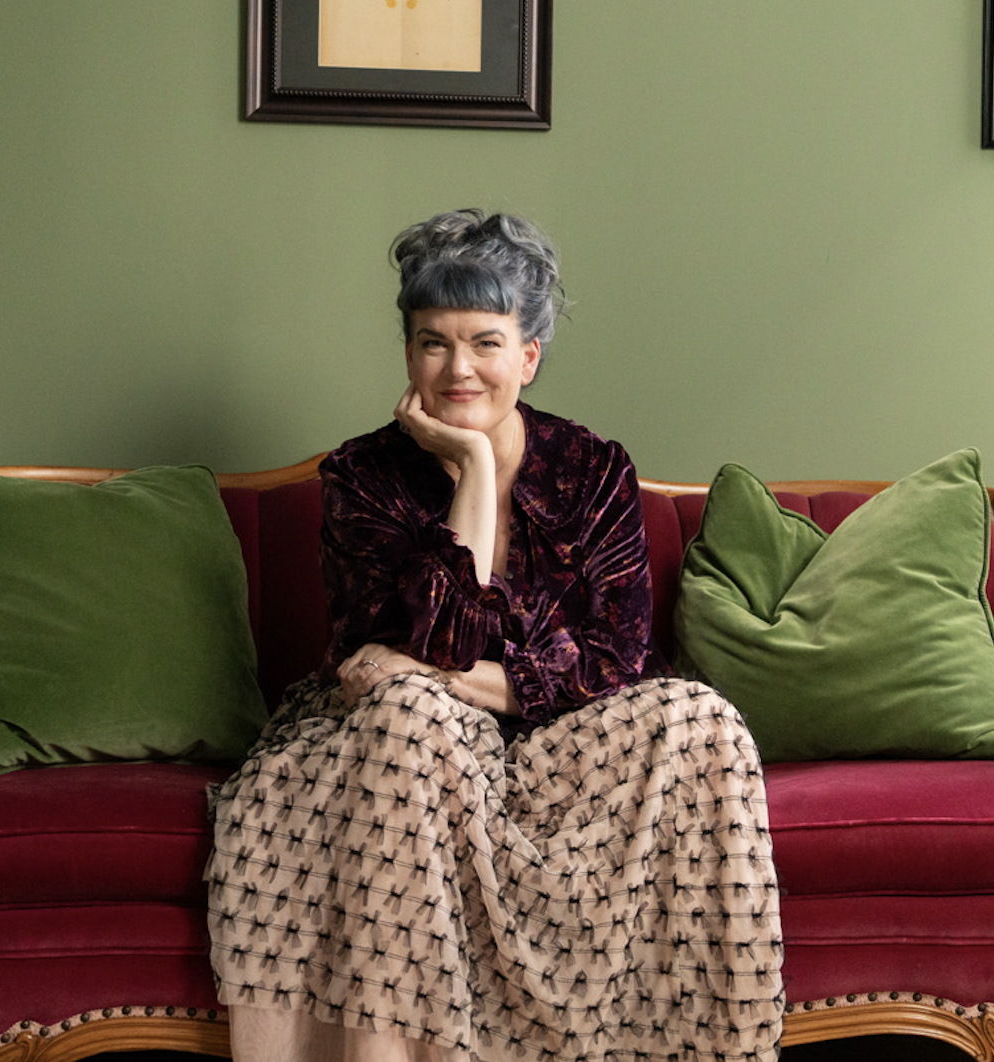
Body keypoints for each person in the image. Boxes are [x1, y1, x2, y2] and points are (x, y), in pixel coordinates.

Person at [206, 209, 784, 1062]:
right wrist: (474, 470)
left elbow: (614, 661)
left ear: (528, 356)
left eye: (484, 341)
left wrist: (449, 673)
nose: (458, 367)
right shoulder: (361, 478)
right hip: (397, 747)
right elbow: (436, 644)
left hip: (566, 748)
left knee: (702, 720)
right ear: (408, 354)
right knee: (408, 713)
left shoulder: (594, 470)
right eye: (432, 342)